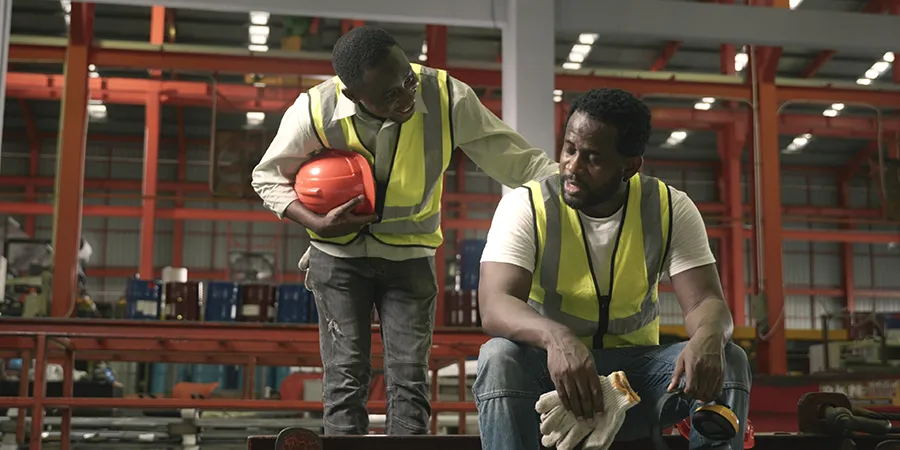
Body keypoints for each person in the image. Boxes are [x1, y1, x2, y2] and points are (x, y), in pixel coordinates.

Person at [251, 25, 558, 436]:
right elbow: (267, 177)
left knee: (410, 382)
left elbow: (520, 162)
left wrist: (572, 185)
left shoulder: (447, 96)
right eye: (389, 95)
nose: (406, 96)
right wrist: (316, 221)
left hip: (410, 257)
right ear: (354, 96)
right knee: (344, 380)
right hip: (337, 258)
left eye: (408, 80)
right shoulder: (316, 110)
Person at [472, 88, 751, 450]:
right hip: (551, 383)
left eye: (593, 158)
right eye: (569, 149)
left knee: (729, 358)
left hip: (637, 386)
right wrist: (558, 339)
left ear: (630, 166)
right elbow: (496, 303)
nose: (572, 166)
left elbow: (705, 302)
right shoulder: (527, 206)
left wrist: (709, 336)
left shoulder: (669, 208)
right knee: (497, 357)